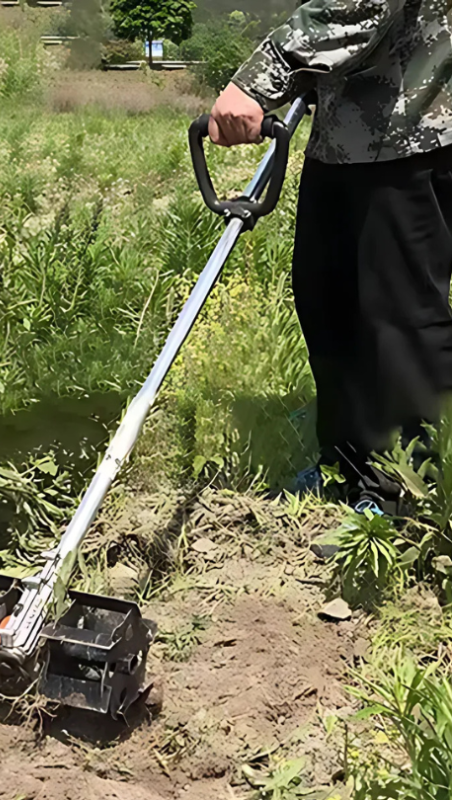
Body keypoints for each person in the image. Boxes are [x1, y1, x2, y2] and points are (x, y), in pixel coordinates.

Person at [209, 0, 452, 515]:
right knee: (328, 304)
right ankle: (348, 467)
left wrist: (263, 76)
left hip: (408, 133)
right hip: (346, 138)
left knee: (397, 321)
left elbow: (361, 5)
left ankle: (406, 496)